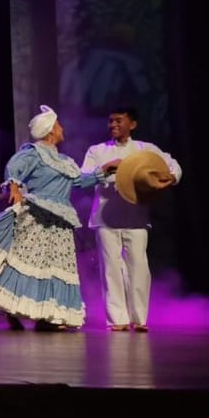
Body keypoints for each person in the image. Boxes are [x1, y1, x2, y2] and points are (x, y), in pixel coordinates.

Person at [0, 105, 119, 331]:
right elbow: (14, 168)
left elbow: (78, 181)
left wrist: (104, 171)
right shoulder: (33, 153)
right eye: (59, 125)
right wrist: (14, 187)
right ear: (51, 130)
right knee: (29, 263)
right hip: (38, 214)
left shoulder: (65, 161)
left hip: (61, 219)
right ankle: (14, 308)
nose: (62, 129)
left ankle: (48, 316)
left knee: (55, 266)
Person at [81, 106, 181, 332]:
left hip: (136, 218)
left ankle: (139, 318)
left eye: (119, 120)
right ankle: (117, 319)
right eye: (111, 121)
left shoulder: (145, 149)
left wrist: (170, 177)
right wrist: (105, 168)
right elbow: (83, 176)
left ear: (132, 124)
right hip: (105, 218)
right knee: (111, 268)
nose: (113, 125)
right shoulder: (97, 150)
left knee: (138, 267)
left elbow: (172, 164)